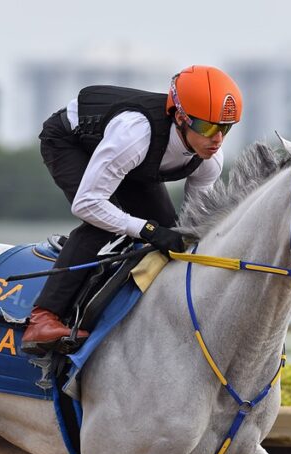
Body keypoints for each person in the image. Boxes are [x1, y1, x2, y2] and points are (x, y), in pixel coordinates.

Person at [21, 65, 242, 354]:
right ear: (180, 117)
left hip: (129, 161)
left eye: (225, 128)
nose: (217, 140)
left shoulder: (210, 160)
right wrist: (146, 229)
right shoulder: (135, 134)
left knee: (171, 232)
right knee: (103, 223)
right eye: (208, 128)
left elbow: (195, 224)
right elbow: (88, 204)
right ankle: (43, 318)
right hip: (70, 142)